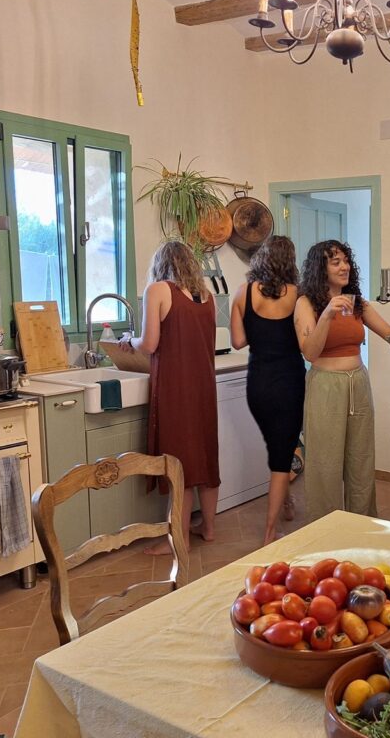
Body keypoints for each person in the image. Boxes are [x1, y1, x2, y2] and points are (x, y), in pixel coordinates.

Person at [294, 240, 390, 522]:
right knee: (325, 462)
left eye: (346, 261)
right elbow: (310, 352)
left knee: (361, 459)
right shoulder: (305, 303)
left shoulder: (356, 302)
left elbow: (387, 331)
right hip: (326, 385)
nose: (345, 267)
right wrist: (327, 314)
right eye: (336, 262)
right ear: (320, 268)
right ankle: (325, 528)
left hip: (358, 384)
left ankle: (360, 524)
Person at [119, 240, 220, 554]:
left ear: (160, 265)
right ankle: (208, 528)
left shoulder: (157, 290)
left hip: (177, 387)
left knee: (179, 462)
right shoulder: (206, 296)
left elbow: (149, 344)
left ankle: (178, 538)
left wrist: (129, 340)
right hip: (204, 385)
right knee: (205, 457)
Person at [231, 236, 305, 545]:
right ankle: (270, 531)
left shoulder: (243, 292)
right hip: (289, 382)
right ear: (290, 262)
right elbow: (306, 339)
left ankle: (286, 503)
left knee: (277, 448)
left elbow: (238, 341)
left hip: (258, 383)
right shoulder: (298, 295)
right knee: (281, 455)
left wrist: (259, 329)